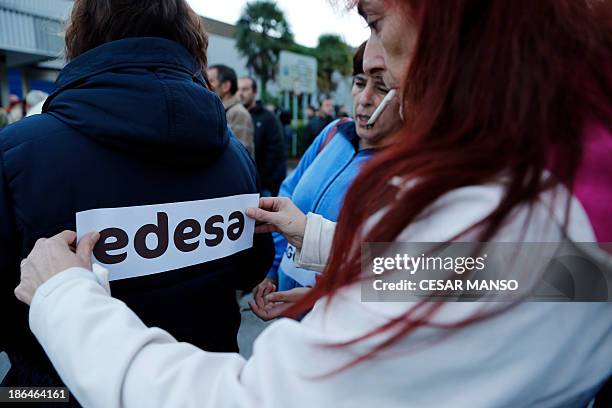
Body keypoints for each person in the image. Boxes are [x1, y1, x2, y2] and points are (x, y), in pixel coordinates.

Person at [12, 0, 612, 407]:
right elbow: (507, 273)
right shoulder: (568, 182)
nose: (371, 58)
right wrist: (333, 252)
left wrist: (65, 296)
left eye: (375, 20)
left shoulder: (515, 204)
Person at [0, 0, 273, 390]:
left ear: (80, 38)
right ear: (189, 41)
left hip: (49, 391)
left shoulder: (15, 153)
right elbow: (251, 267)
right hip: (205, 385)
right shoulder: (234, 155)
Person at [249, 41, 403, 320]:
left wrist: (326, 293)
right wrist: (271, 271)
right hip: (287, 317)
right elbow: (288, 198)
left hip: (336, 328)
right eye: (359, 82)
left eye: (381, 87)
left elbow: (404, 273)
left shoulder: (409, 175)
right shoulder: (334, 132)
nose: (364, 98)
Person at [237, 76, 287, 196]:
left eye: (245, 89)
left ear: (254, 92)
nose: (240, 93)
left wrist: (266, 184)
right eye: (238, 89)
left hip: (263, 188)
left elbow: (277, 154)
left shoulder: (268, 118)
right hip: (241, 185)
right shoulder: (234, 116)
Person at [208, 64, 255, 157]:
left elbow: (241, 155)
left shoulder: (238, 113)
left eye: (211, 81)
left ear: (226, 86)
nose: (206, 85)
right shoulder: (221, 110)